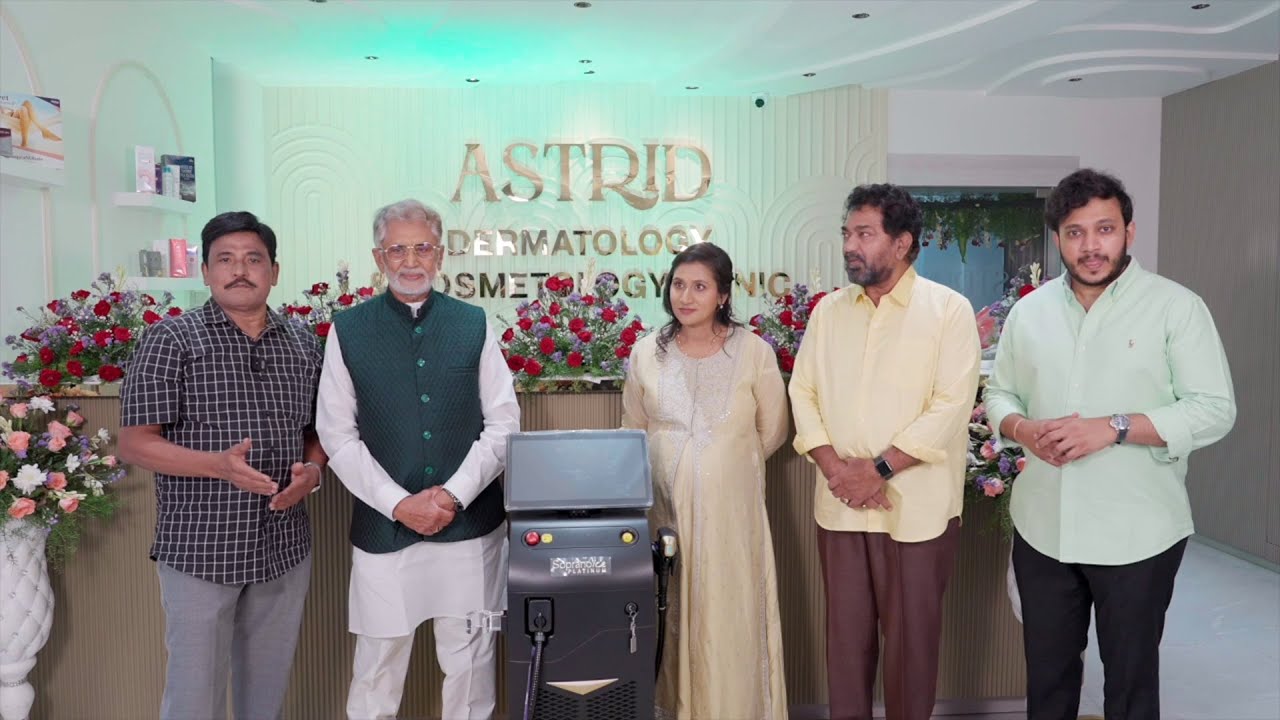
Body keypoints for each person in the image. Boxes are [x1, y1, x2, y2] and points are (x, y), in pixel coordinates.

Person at [984, 168, 1236, 720]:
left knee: (1130, 686)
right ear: (1058, 239)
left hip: (1138, 533)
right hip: (1044, 527)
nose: (1091, 246)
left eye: (1105, 229)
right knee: (1048, 683)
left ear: (1129, 232)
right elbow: (1000, 393)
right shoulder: (1029, 312)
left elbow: (1214, 408)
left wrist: (1114, 426)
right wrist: (1023, 430)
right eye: (1075, 232)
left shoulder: (1176, 307)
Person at [315, 199, 519, 720]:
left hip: (468, 525)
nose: (410, 261)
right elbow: (336, 434)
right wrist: (398, 503)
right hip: (385, 529)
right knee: (377, 666)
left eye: (422, 248)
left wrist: (452, 496)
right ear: (378, 257)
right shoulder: (348, 329)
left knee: (470, 665)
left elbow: (503, 424)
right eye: (397, 249)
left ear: (440, 254)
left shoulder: (473, 323)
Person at [118, 211, 325, 720]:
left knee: (265, 693)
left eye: (253, 259)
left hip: (283, 544)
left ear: (274, 271)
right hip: (200, 547)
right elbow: (136, 444)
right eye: (225, 259)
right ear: (206, 271)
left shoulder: (304, 343)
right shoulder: (171, 339)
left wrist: (313, 472)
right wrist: (219, 466)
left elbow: (318, 432)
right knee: (194, 695)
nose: (240, 270)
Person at [789, 183, 980, 720]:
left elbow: (950, 406)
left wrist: (877, 470)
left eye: (864, 234)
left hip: (916, 511)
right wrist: (836, 470)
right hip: (841, 507)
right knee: (845, 647)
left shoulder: (948, 311)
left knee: (912, 650)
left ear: (902, 243)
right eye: (847, 233)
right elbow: (803, 392)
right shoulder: (828, 312)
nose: (850, 245)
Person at [621, 242, 789, 720]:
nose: (686, 296)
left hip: (731, 520)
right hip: (665, 517)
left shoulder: (753, 352)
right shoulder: (646, 353)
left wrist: (717, 468)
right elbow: (634, 427)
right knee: (670, 611)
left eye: (700, 286)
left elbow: (773, 431)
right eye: (678, 284)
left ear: (723, 295)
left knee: (728, 613)